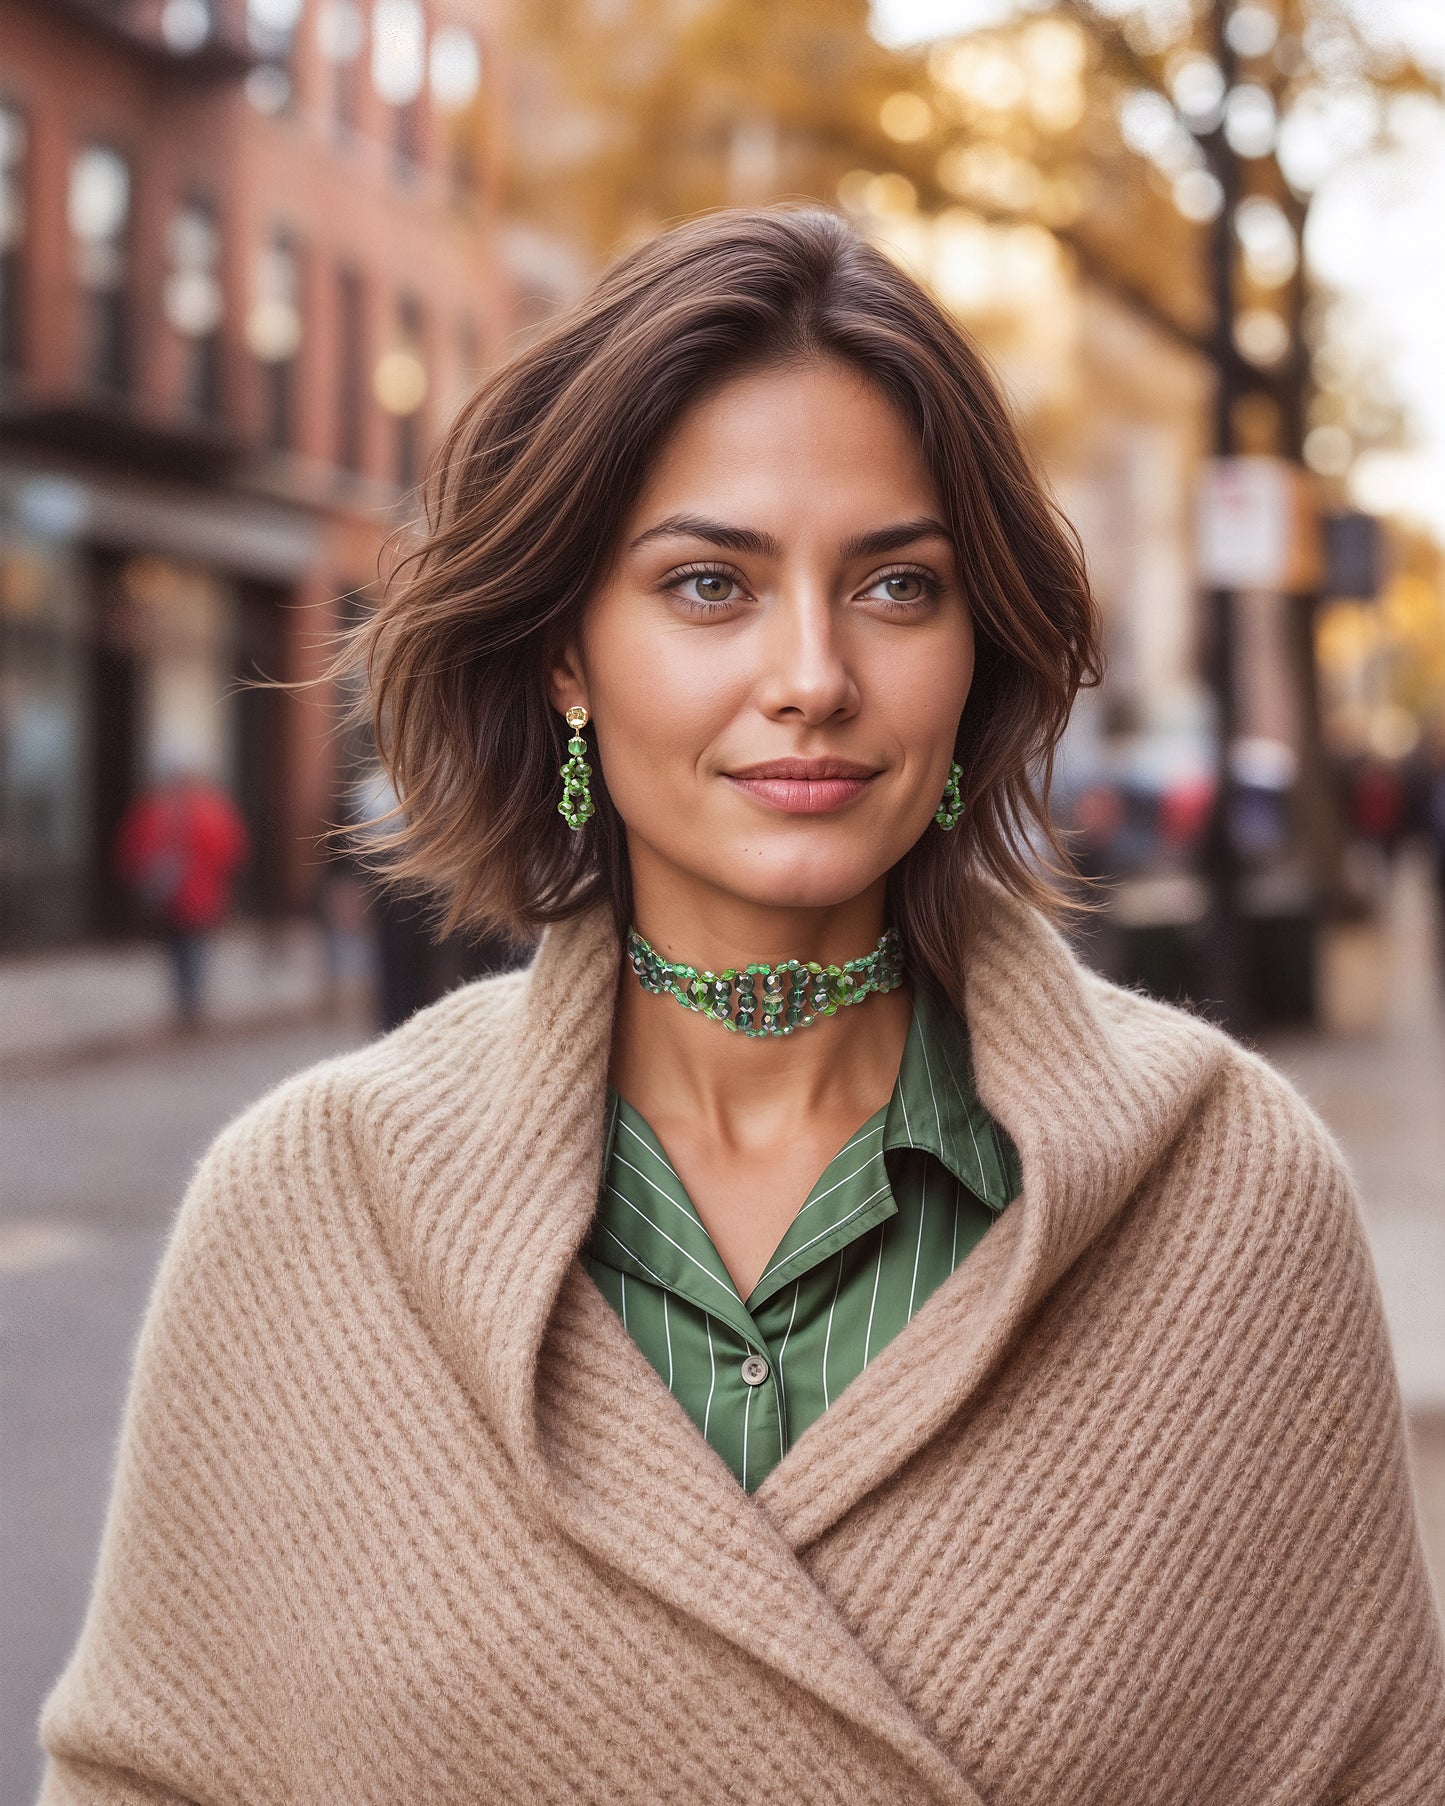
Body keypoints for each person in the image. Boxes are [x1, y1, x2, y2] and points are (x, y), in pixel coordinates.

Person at [40, 208, 1443, 1803]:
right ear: (570, 653)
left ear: (976, 647)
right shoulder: (308, 1204)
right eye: (710, 584)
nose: (812, 673)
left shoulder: (1228, 1190)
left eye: (898, 587)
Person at [112, 762, 250, 1027]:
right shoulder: (212, 809)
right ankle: (192, 1002)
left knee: (178, 949)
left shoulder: (155, 808)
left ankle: (186, 1002)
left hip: (173, 896)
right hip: (201, 894)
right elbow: (233, 850)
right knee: (193, 947)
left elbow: (130, 849)